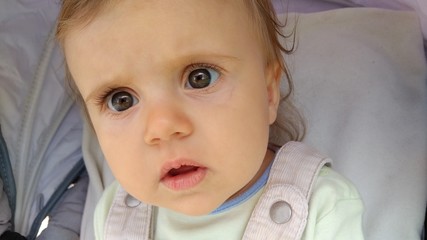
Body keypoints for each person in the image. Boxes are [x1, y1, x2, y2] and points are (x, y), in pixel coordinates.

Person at [56, 0, 364, 239]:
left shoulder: (321, 208)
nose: (162, 127)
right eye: (121, 100)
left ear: (269, 92)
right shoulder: (115, 216)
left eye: (199, 78)